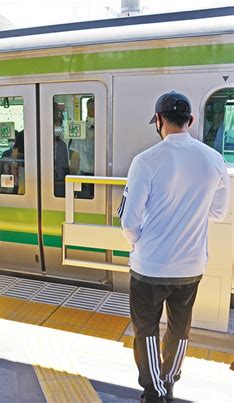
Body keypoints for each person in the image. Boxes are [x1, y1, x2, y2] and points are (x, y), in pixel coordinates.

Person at [118, 92, 230, 403]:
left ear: (158, 121)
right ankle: (169, 381)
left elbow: (129, 221)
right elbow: (219, 212)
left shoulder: (146, 161)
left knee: (146, 330)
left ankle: (154, 392)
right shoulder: (214, 160)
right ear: (191, 121)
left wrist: (140, 245)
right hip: (192, 266)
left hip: (149, 266)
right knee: (180, 328)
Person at [69, 97, 95, 198]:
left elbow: (75, 158)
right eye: (91, 109)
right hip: (84, 178)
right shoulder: (80, 129)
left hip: (100, 177)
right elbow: (75, 158)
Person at [53, 103, 69, 197]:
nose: (57, 127)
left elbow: (65, 165)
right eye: (55, 124)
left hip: (60, 180)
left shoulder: (62, 145)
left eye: (58, 124)